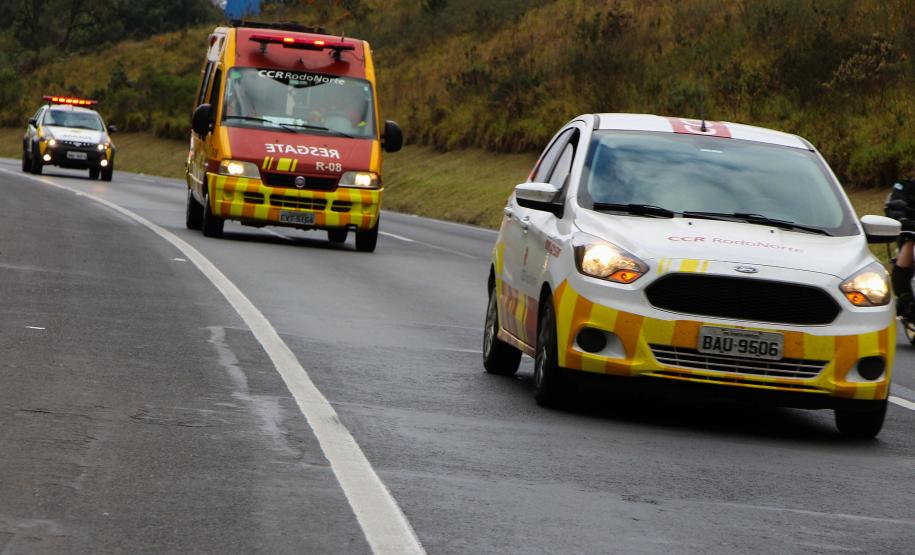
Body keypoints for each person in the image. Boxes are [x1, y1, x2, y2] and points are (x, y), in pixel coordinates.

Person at [884, 175, 915, 317]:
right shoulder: (903, 186)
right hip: (912, 235)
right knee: (910, 246)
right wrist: (900, 219)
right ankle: (905, 298)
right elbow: (893, 207)